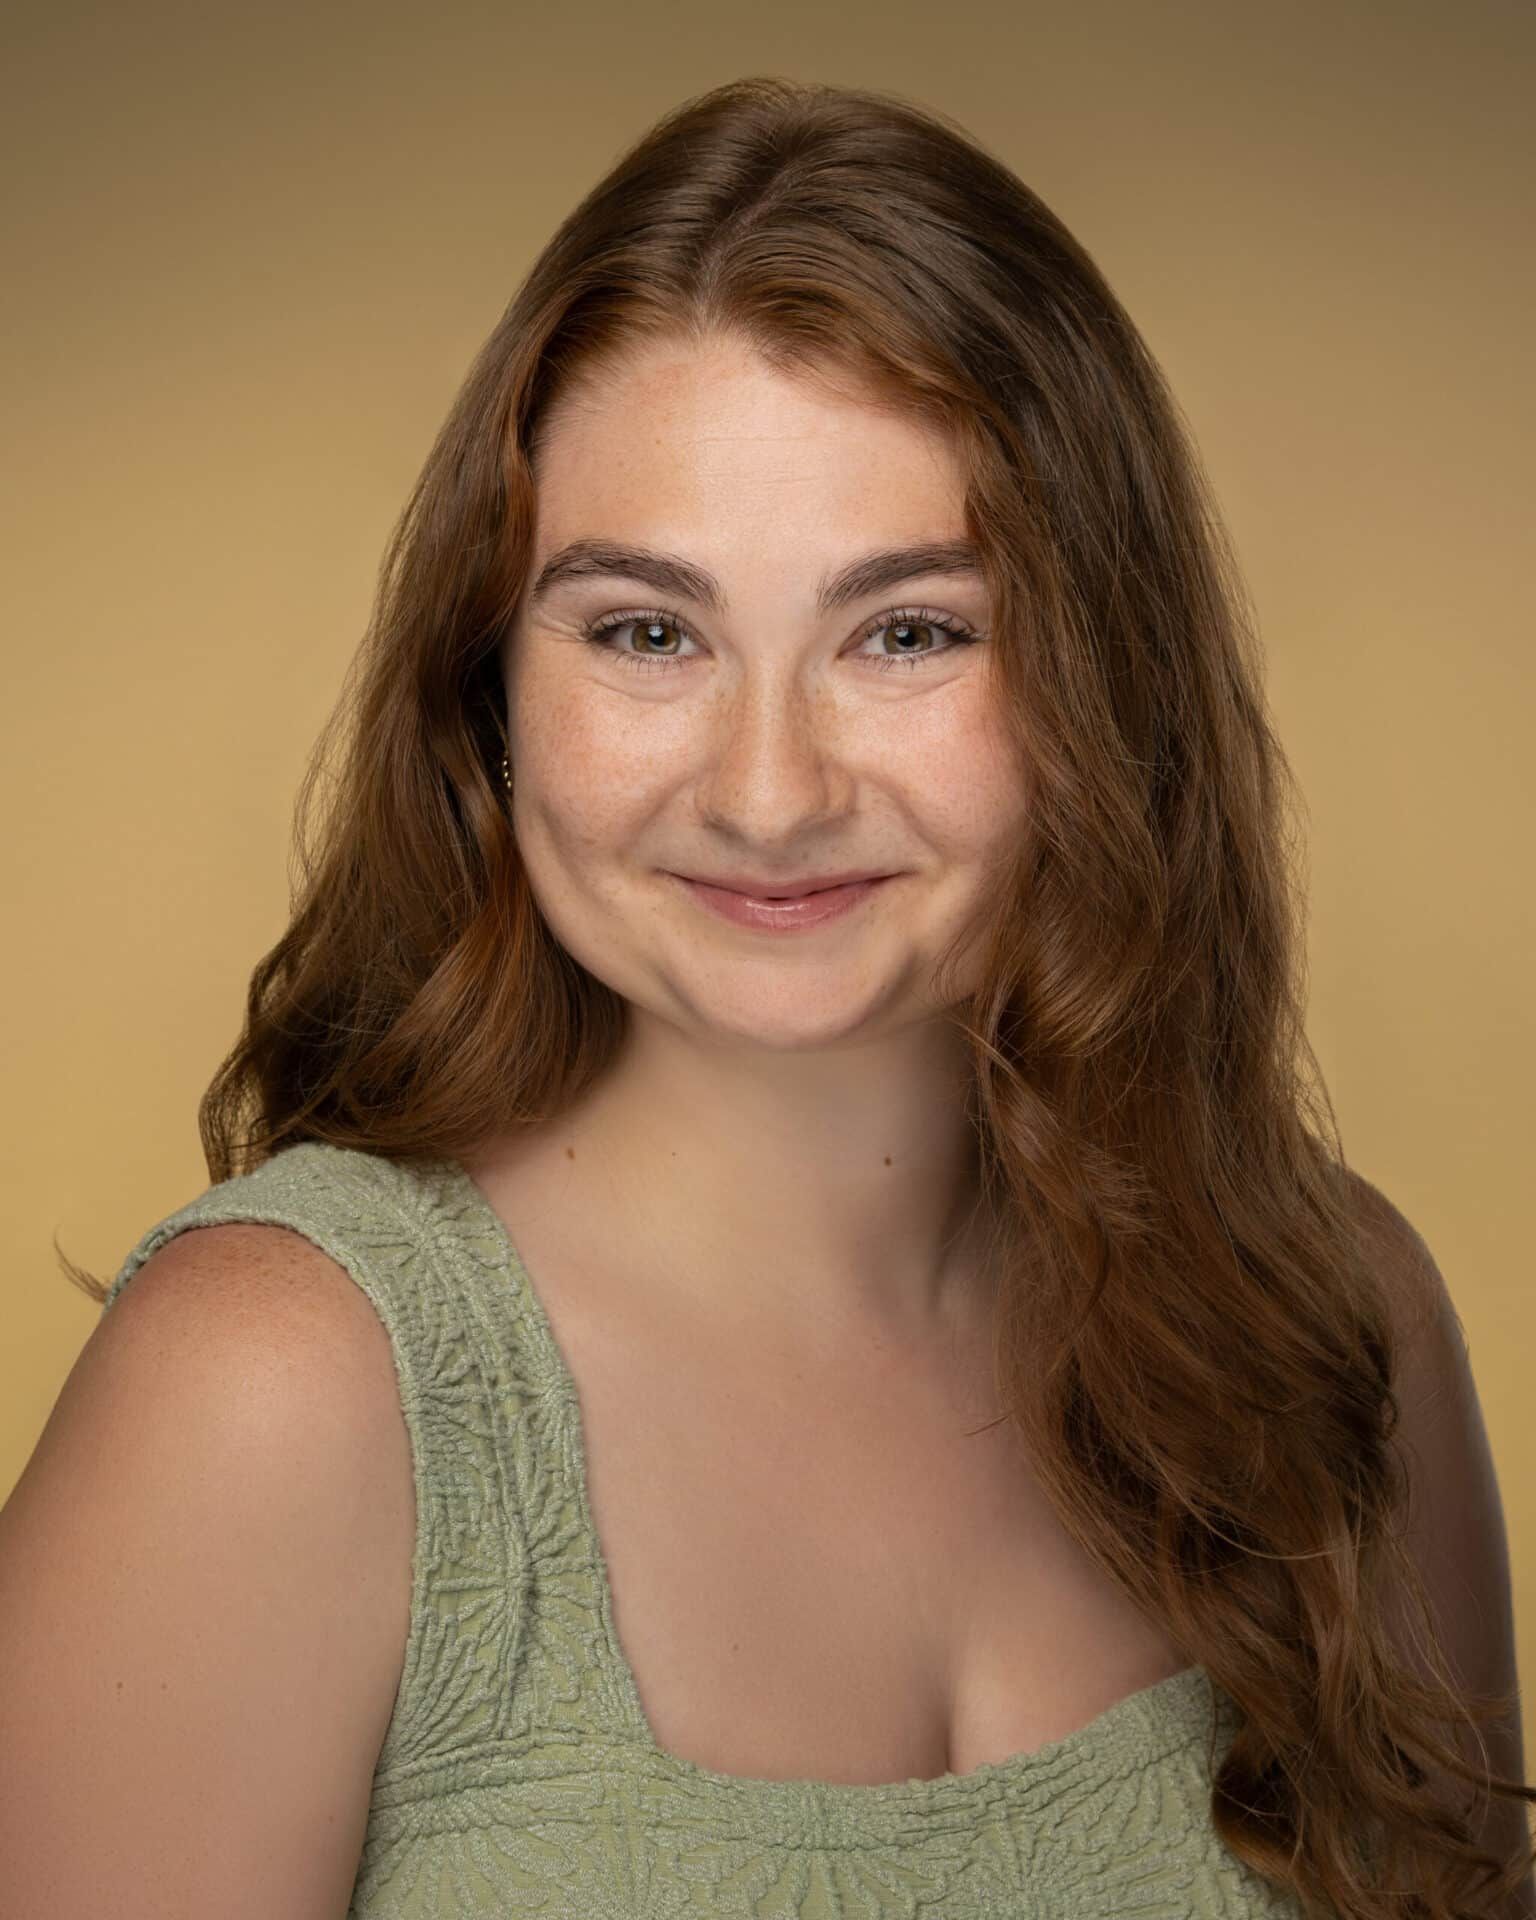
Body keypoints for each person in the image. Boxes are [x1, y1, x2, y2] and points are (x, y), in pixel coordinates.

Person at [4, 75, 1532, 1920]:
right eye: (648, 632)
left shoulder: (1330, 1318)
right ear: (490, 690)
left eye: (909, 632)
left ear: (1098, 681)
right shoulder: (279, 1394)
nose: (768, 791)